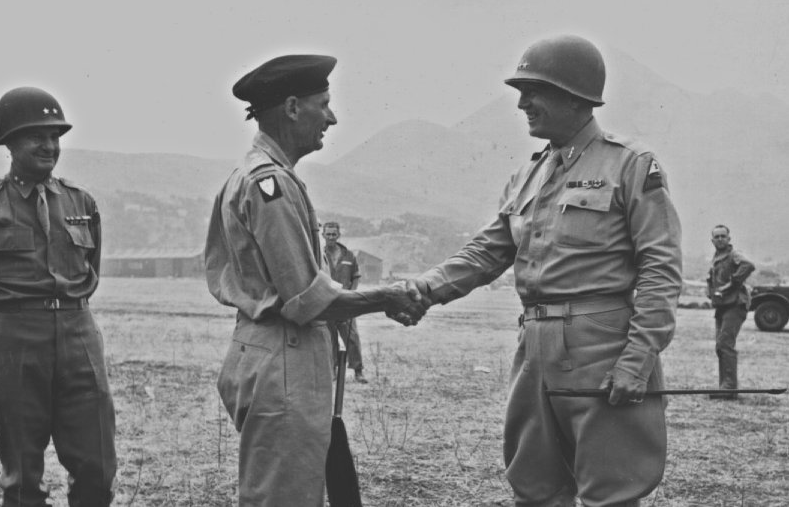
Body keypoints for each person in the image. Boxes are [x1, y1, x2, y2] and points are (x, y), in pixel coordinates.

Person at [405, 35, 682, 507]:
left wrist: (636, 362)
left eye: (534, 90)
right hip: (533, 350)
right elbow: (486, 252)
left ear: (574, 96)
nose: (522, 103)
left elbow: (660, 268)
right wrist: (423, 289)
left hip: (602, 350)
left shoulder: (630, 164)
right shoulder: (528, 174)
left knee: (610, 493)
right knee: (535, 489)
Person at [204, 54, 427, 507]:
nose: (332, 116)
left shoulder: (254, 176)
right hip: (284, 358)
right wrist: (387, 296)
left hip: (267, 353)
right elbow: (309, 301)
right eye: (322, 104)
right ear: (291, 108)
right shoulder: (271, 184)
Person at [0, 87, 117, 506]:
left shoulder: (81, 202)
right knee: (23, 479)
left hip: (79, 334)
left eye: (55, 137)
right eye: (36, 137)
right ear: (9, 144)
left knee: (98, 466)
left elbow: (92, 270)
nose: (49, 146)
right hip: (14, 340)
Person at [706, 224, 755, 398]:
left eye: (723, 236)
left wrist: (732, 283)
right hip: (723, 306)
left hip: (736, 305)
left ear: (729, 239)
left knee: (725, 344)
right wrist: (710, 290)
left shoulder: (734, 254)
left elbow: (748, 265)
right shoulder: (717, 257)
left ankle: (728, 389)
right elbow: (712, 278)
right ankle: (725, 387)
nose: (720, 239)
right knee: (721, 346)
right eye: (716, 237)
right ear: (712, 240)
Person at [322, 221, 368, 383]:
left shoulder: (349, 255)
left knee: (352, 337)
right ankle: (332, 370)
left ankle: (358, 371)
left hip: (345, 302)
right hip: (326, 303)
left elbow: (355, 277)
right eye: (328, 234)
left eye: (334, 234)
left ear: (339, 235)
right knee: (329, 338)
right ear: (323, 235)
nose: (331, 237)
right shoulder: (318, 254)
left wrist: (352, 295)